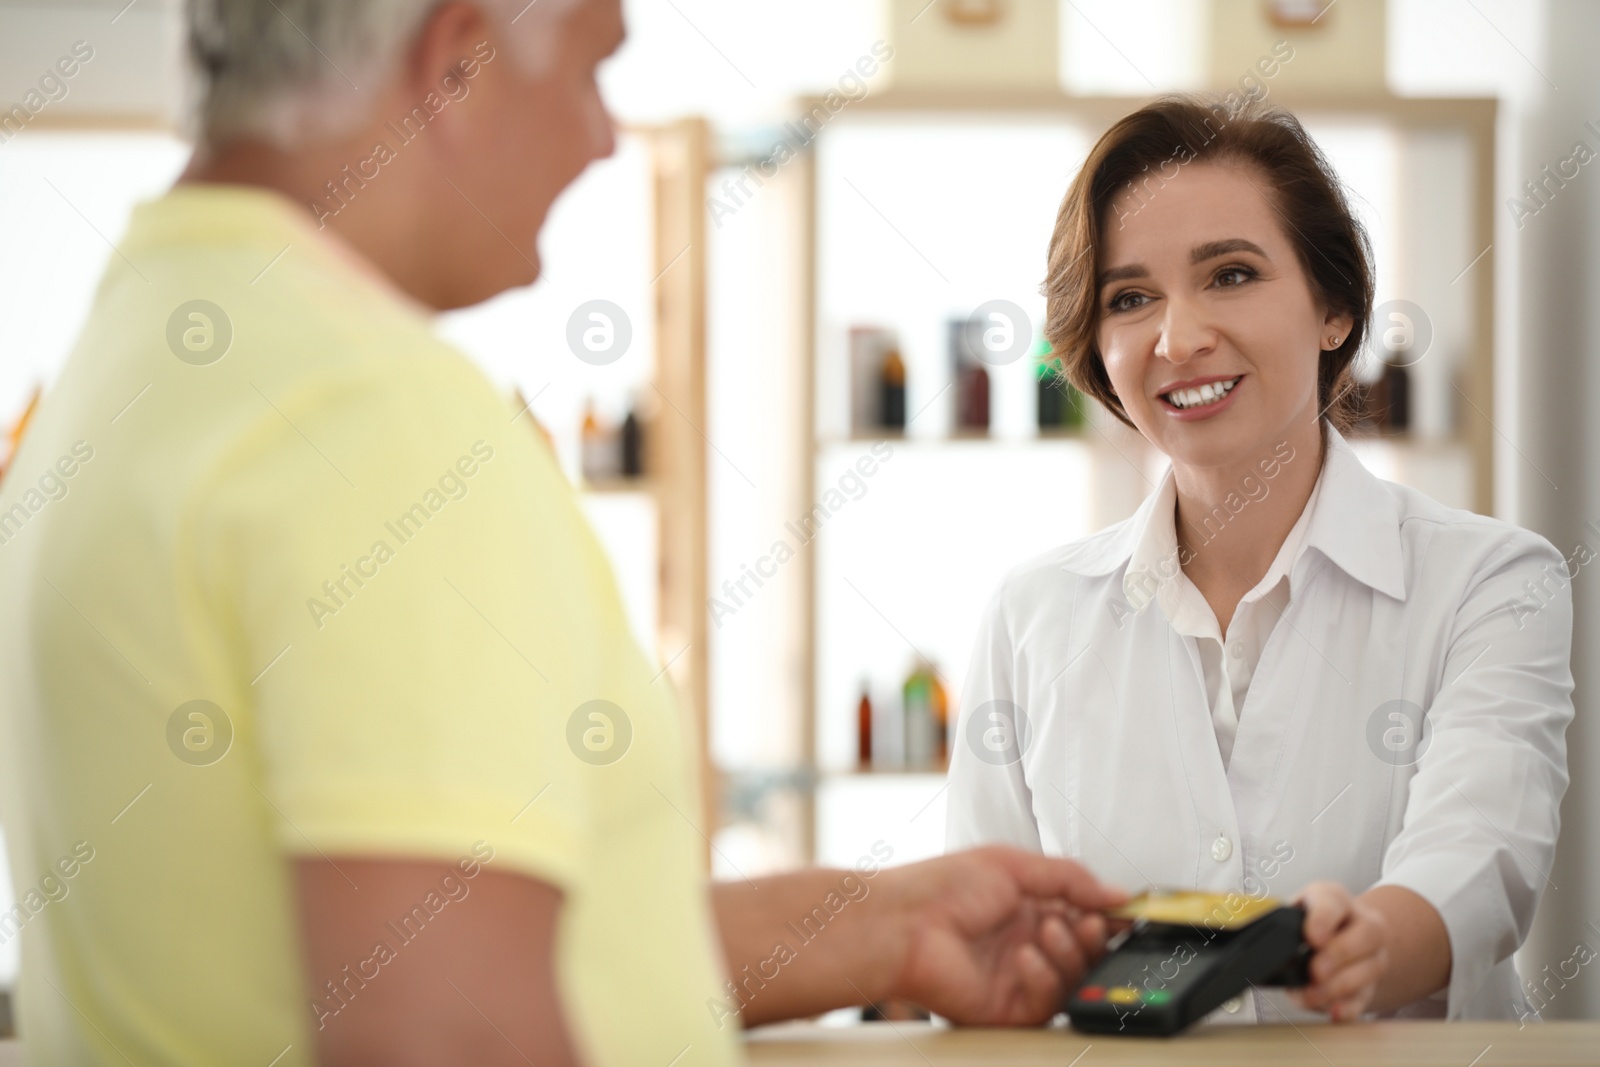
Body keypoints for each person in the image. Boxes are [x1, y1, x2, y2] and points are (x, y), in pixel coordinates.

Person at [0, 1, 1128, 1064]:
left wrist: (882, 923)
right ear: (456, 60)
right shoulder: (376, 419)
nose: (600, 137)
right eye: (593, 64)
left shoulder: (123, 370)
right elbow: (448, 1036)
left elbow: (379, 938)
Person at [946, 96, 1573, 1027]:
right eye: (1129, 299)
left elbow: (1482, 855)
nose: (1178, 337)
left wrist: (1369, 944)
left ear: (1334, 309)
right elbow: (984, 949)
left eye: (1230, 274)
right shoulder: (1033, 614)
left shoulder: (1490, 582)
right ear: (1096, 349)